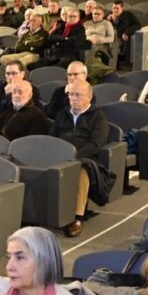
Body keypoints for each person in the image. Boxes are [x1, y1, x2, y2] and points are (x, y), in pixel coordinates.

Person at [49, 81, 108, 237]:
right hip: (59, 157)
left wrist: (74, 157)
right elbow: (52, 137)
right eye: (71, 94)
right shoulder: (63, 114)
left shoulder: (98, 116)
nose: (73, 98)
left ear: (89, 97)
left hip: (86, 159)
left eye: (77, 95)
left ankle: (77, 217)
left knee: (81, 170)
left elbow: (95, 144)